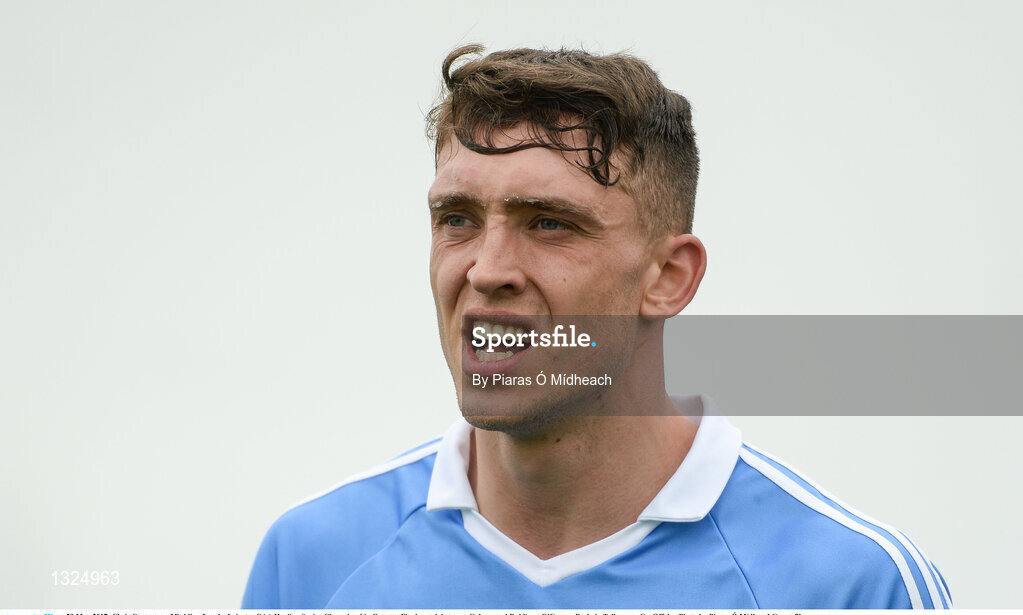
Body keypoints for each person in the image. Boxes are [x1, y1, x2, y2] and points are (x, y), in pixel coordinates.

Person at [241, 44, 951, 609]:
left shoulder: (851, 586)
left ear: (668, 277)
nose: (487, 269)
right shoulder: (311, 560)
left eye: (548, 223)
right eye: (456, 218)